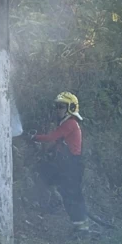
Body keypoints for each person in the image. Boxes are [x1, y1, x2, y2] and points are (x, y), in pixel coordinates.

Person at [32, 92, 88, 232]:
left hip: (72, 165)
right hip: (66, 164)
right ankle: (77, 223)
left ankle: (82, 228)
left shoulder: (70, 123)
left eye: (61, 106)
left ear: (71, 107)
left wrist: (34, 137)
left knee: (72, 196)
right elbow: (59, 142)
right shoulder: (66, 123)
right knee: (65, 191)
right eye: (57, 106)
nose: (58, 109)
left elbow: (52, 137)